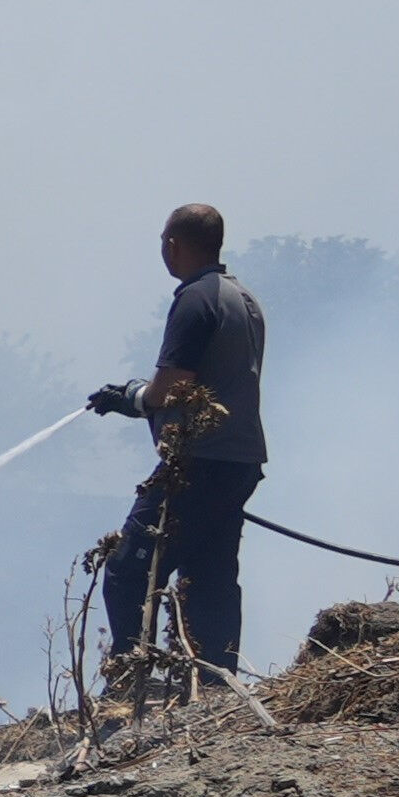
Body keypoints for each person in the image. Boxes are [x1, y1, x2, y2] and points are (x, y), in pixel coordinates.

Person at [81, 203, 267, 675]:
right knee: (209, 576)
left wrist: (132, 397)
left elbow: (170, 388)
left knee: (129, 571)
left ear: (174, 245)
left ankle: (129, 683)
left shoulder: (194, 299)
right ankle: (214, 683)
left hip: (198, 459)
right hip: (238, 460)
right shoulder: (242, 298)